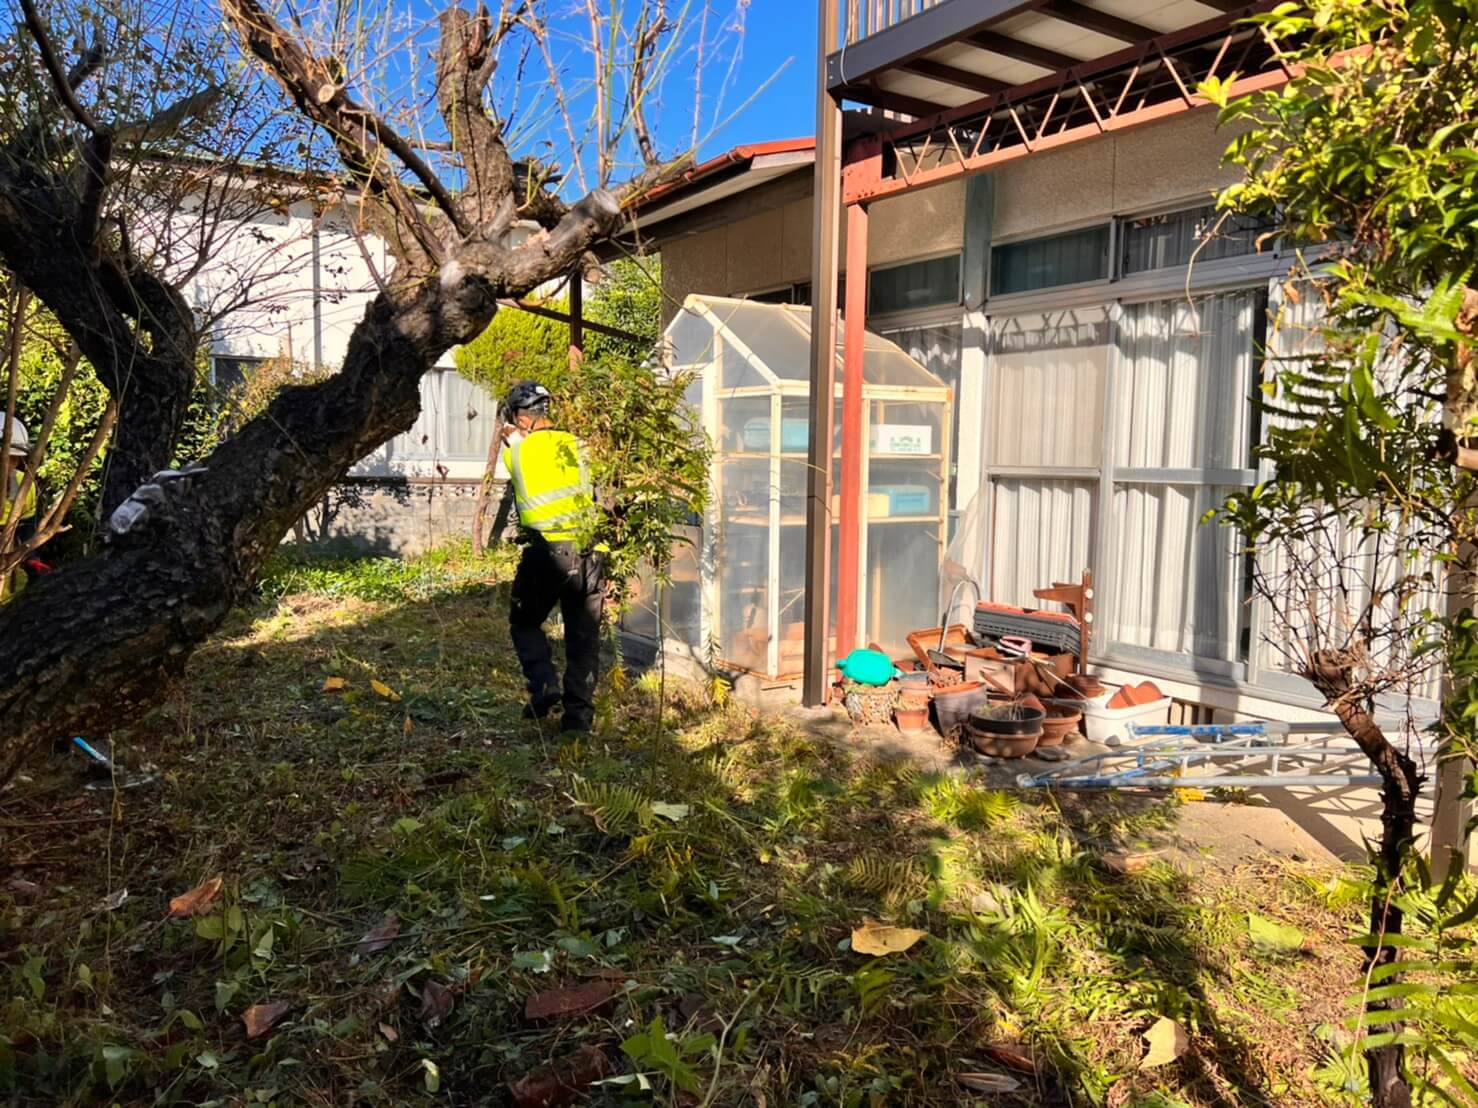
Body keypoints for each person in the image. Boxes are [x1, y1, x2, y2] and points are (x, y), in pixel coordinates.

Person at [500, 380, 606, 733]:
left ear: (520, 416)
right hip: (590, 554)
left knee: (525, 622)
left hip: (547, 552)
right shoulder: (581, 444)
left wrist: (513, 436)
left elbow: (518, 456)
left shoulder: (514, 451)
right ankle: (577, 723)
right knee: (583, 639)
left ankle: (544, 685)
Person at [1, 418, 44, 597]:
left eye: (13, 459)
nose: (7, 465)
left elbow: (26, 530)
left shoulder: (24, 485)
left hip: (8, 566)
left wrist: (31, 558)